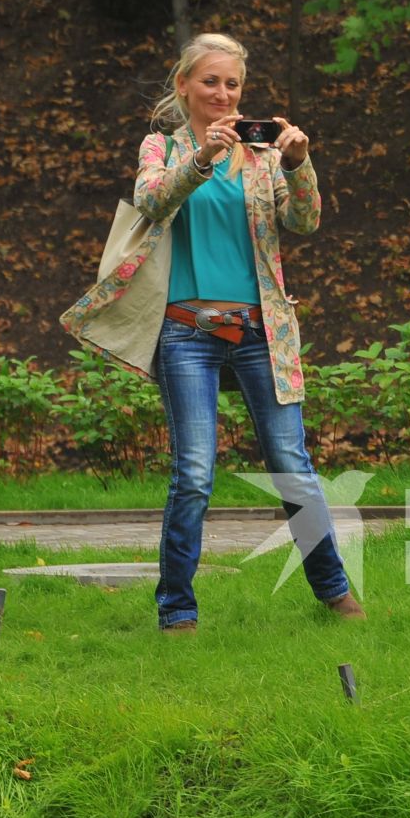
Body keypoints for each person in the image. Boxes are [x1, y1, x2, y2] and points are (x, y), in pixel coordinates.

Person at [131, 32, 361, 631]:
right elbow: (152, 201)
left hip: (261, 329)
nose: (222, 93)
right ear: (184, 85)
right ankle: (177, 609)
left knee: (291, 462)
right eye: (210, 81)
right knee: (195, 473)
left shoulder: (261, 154)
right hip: (185, 331)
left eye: (232, 84)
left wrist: (299, 161)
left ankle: (335, 593)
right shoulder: (162, 146)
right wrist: (203, 157)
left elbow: (304, 222)